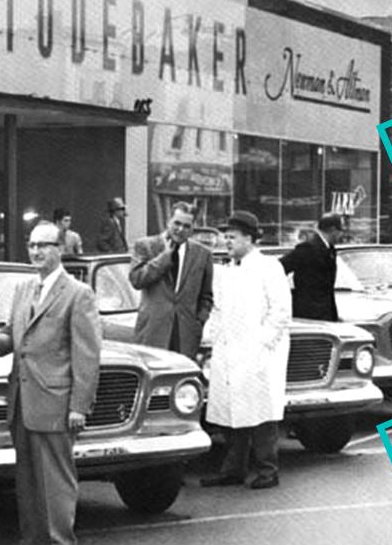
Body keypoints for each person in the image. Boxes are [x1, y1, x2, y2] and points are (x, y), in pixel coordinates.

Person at [0, 221, 102, 545]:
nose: (36, 251)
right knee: (28, 477)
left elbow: (87, 355)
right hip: (22, 400)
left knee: (56, 478)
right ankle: (33, 542)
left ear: (60, 249)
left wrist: (79, 406)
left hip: (56, 401)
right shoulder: (24, 289)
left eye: (44, 245)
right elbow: (15, 334)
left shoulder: (78, 294)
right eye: (32, 245)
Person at [200, 212, 291, 489]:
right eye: (225, 237)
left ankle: (267, 469)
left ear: (249, 238)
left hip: (258, 354)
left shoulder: (269, 267)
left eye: (232, 237)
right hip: (230, 353)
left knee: (261, 414)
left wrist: (262, 344)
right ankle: (233, 469)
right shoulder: (226, 271)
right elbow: (218, 310)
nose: (227, 242)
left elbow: (280, 310)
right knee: (231, 413)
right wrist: (211, 339)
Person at [128, 202, 214, 357]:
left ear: (193, 228)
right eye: (177, 223)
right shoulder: (146, 246)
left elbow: (206, 296)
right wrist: (164, 258)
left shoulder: (202, 254)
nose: (180, 230)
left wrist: (198, 323)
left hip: (185, 335)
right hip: (153, 333)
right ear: (168, 221)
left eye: (187, 226)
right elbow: (136, 280)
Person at [278, 211, 342, 321]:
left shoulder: (330, 249)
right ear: (333, 230)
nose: (342, 235)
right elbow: (279, 268)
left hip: (325, 313)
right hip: (308, 313)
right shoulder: (308, 248)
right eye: (341, 230)